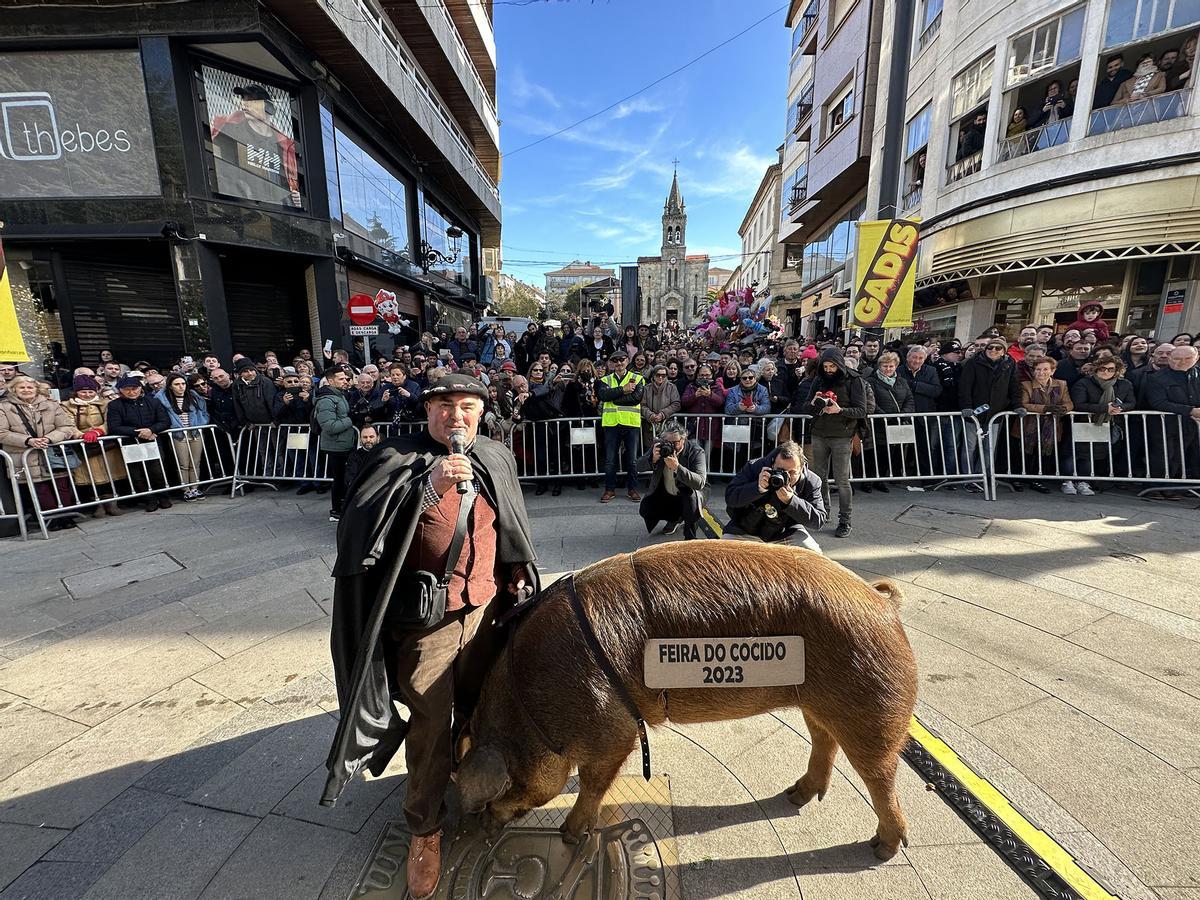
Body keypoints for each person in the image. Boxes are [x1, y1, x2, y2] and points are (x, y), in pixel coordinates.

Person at [323, 373, 536, 900]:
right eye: (444, 406)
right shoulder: (396, 456)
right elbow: (358, 534)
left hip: (487, 611)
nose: (456, 417)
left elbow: (508, 524)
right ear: (427, 411)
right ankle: (424, 827)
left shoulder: (493, 454)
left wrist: (515, 570)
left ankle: (471, 774)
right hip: (425, 624)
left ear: (481, 412)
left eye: (467, 406)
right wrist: (428, 488)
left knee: (482, 705)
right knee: (428, 724)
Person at [0, 375, 82, 529]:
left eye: (30, 387)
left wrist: (49, 439)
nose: (26, 390)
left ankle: (67, 516)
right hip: (24, 456)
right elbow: (1, 432)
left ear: (36, 389)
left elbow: (66, 427)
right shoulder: (3, 407)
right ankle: (52, 519)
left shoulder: (51, 404)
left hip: (51, 452)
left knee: (62, 484)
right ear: (14, 389)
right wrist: (28, 441)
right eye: (22, 387)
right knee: (40, 488)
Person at [802, 348, 867, 538]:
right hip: (819, 433)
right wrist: (814, 403)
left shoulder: (854, 380)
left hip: (842, 435)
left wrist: (840, 410)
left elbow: (862, 410)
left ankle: (845, 520)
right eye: (826, 366)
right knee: (819, 477)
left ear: (840, 364)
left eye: (832, 366)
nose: (829, 370)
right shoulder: (818, 380)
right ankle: (824, 512)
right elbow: (805, 406)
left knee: (841, 480)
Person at [723, 441, 827, 552]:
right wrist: (757, 488)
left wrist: (792, 501)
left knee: (814, 553)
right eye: (780, 471)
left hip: (786, 533)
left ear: (801, 469)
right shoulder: (754, 467)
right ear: (773, 464)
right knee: (722, 554)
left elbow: (818, 520)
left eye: (791, 472)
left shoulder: (811, 481)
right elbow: (730, 498)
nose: (786, 477)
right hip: (745, 529)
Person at [60, 375, 126, 518]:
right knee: (90, 478)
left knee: (110, 475)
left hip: (105, 445)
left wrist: (100, 430)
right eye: (83, 392)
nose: (87, 394)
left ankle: (112, 503)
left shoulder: (105, 403)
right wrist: (80, 435)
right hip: (84, 446)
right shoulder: (66, 406)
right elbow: (68, 424)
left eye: (91, 391)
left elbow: (111, 420)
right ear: (76, 391)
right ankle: (98, 505)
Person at [106, 375, 173, 512]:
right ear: (120, 390)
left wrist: (151, 430)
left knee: (157, 470)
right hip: (131, 443)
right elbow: (114, 426)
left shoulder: (153, 402)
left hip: (152, 441)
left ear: (140, 388)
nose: (131, 392)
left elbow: (165, 421)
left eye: (134, 388)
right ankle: (149, 499)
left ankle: (163, 497)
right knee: (137, 474)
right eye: (127, 389)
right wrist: (138, 432)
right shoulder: (114, 405)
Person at [1070, 357, 1135, 490]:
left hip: (1112, 424)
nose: (1106, 372)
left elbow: (1131, 402)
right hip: (1087, 424)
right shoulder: (1084, 383)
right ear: (1096, 369)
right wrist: (1105, 408)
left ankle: (1096, 481)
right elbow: (1078, 405)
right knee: (1085, 454)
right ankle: (1082, 480)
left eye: (1111, 369)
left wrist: (1120, 408)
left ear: (1117, 371)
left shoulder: (1124, 384)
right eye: (1102, 369)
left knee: (1107, 453)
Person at [635, 418, 707, 539]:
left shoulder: (696, 451)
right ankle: (675, 518)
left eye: (675, 443)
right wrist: (651, 459)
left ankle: (690, 537)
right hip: (668, 491)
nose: (670, 446)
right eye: (666, 442)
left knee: (691, 502)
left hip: (689, 491)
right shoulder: (659, 447)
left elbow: (699, 482)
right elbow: (638, 466)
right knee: (646, 509)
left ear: (683, 439)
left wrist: (678, 468)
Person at [1018, 357, 1076, 493]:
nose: (1041, 372)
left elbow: (1069, 403)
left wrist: (1064, 409)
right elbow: (1024, 404)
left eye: (1045, 369)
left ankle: (1039, 479)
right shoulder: (1026, 385)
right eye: (1038, 369)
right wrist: (1045, 409)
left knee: (1046, 454)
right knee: (1027, 453)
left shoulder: (1061, 384)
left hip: (1052, 427)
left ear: (1053, 370)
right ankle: (1024, 478)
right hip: (1029, 426)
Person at [1143, 345, 1200, 477]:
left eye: (1188, 358)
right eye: (1177, 358)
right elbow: (1158, 402)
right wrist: (1191, 410)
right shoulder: (1157, 378)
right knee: (1164, 455)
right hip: (1165, 425)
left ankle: (1176, 485)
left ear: (1196, 358)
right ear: (1170, 358)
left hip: (1192, 425)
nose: (1182, 362)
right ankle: (1157, 486)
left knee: (1184, 456)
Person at [596, 349, 644, 503]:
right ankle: (609, 489)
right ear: (611, 363)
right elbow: (603, 395)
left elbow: (636, 398)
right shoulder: (605, 379)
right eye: (615, 360)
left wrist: (615, 398)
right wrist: (623, 390)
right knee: (610, 460)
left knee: (632, 460)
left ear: (627, 361)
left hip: (631, 423)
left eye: (621, 360)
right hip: (611, 424)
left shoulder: (638, 378)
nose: (618, 363)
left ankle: (632, 489)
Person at [156, 372, 211, 502]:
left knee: (195, 462)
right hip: (178, 435)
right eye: (177, 384)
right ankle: (186, 489)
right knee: (183, 464)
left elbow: (203, 412)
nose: (181, 387)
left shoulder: (193, 396)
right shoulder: (162, 399)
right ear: (170, 386)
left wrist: (201, 423)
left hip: (195, 432)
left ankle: (195, 488)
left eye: (183, 383)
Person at [315, 365, 356, 522]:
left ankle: (343, 508)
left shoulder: (339, 395)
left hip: (344, 443)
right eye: (341, 378)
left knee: (345, 478)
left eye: (346, 378)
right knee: (339, 479)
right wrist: (351, 418)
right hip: (335, 446)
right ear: (330, 381)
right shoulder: (326, 400)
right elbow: (329, 426)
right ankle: (336, 511)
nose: (345, 380)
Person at [641, 364, 681, 446]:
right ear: (653, 375)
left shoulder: (672, 387)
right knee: (650, 450)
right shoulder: (646, 388)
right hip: (649, 426)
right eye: (658, 375)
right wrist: (650, 415)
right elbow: (642, 405)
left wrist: (663, 414)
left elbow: (676, 404)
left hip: (667, 426)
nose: (660, 377)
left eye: (663, 375)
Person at [343, 423, 379, 499]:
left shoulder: (384, 453)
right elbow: (350, 479)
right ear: (360, 439)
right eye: (365, 437)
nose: (368, 440)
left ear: (378, 438)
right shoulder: (354, 456)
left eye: (371, 437)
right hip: (361, 495)